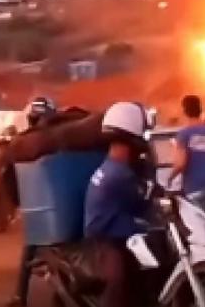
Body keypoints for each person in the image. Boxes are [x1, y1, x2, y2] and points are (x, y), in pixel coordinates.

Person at [85, 102, 153, 307]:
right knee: (118, 284)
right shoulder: (121, 175)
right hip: (107, 241)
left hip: (112, 233)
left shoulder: (113, 167)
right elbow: (143, 204)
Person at [5, 97, 58, 307]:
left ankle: (19, 295)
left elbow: (8, 176)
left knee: (30, 248)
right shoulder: (58, 140)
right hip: (55, 205)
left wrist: (18, 202)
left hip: (36, 207)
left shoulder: (19, 143)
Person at [167, 95, 205, 221]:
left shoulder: (184, 134)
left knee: (200, 230)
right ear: (200, 109)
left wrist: (170, 178)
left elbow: (181, 163)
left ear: (184, 111)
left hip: (194, 189)